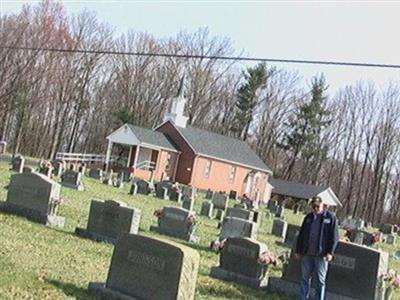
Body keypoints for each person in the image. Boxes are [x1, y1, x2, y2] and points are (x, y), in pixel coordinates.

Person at [295, 196, 339, 300]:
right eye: (314, 206)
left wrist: (330, 252)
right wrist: (298, 250)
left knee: (320, 280)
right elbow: (301, 235)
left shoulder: (330, 217)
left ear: (323, 205)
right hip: (307, 253)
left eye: (318, 206)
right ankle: (303, 298)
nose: (316, 208)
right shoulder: (309, 217)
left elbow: (334, 237)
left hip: (321, 254)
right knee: (305, 278)